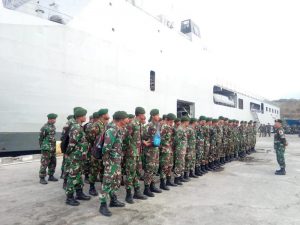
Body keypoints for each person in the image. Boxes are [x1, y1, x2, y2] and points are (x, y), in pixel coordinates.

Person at [99, 111, 129, 217]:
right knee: (107, 182)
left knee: (115, 181)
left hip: (116, 161)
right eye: (126, 118)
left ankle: (113, 200)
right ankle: (103, 205)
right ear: (121, 119)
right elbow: (106, 148)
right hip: (111, 162)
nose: (128, 119)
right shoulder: (111, 130)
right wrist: (107, 163)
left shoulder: (118, 129)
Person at [65, 107, 91, 206]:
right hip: (75, 157)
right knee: (73, 176)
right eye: (84, 115)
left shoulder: (79, 126)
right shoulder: (76, 127)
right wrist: (68, 153)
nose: (86, 117)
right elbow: (72, 143)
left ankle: (79, 193)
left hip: (80, 156)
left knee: (79, 176)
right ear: (80, 117)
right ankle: (69, 197)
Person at [39, 113, 58, 184]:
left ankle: (51, 176)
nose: (55, 120)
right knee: (44, 163)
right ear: (49, 119)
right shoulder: (45, 127)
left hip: (53, 147)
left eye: (55, 119)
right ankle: (42, 177)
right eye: (54, 119)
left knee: (53, 162)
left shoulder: (53, 126)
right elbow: (41, 138)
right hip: (46, 148)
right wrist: (43, 146)